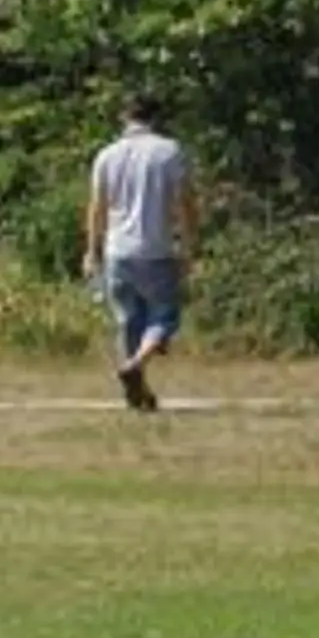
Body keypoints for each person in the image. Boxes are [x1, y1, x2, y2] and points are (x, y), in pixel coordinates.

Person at [84, 96, 195, 412]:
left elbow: (97, 208)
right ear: (155, 118)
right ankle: (135, 365)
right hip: (155, 248)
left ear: (124, 117)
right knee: (164, 315)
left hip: (117, 250)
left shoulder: (106, 155)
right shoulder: (169, 151)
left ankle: (139, 390)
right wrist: (188, 246)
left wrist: (91, 251)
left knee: (129, 321)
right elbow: (185, 203)